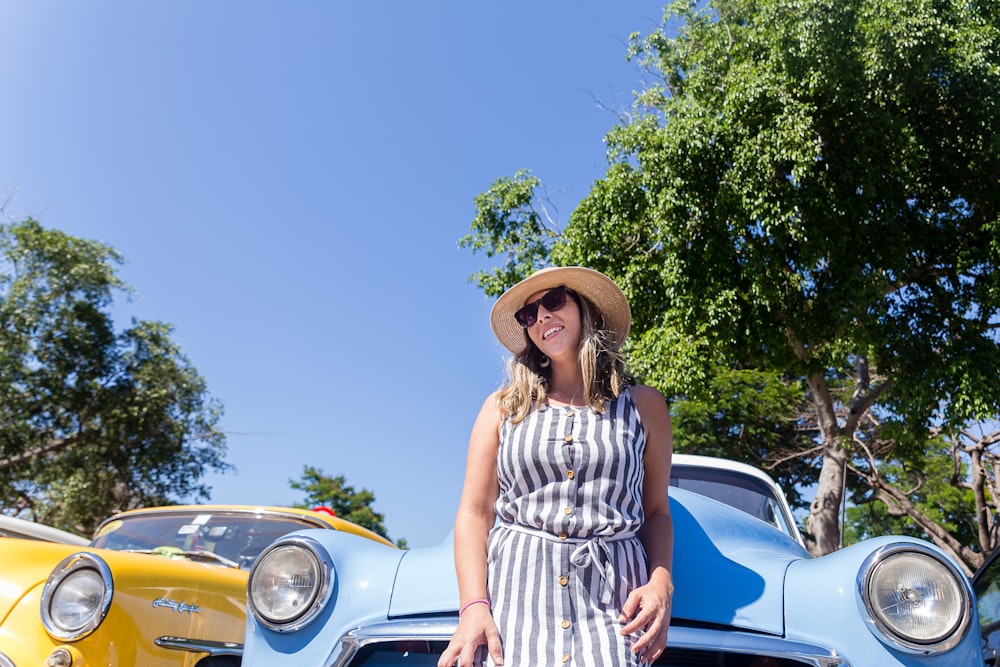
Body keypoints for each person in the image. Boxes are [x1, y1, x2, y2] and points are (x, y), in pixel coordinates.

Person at [438, 266, 674, 667]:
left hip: (615, 606)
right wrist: (473, 607)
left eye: (553, 301)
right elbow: (475, 512)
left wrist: (661, 583)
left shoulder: (644, 406)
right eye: (528, 315)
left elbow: (655, 512)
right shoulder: (501, 408)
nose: (542, 317)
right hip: (515, 602)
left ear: (587, 311)